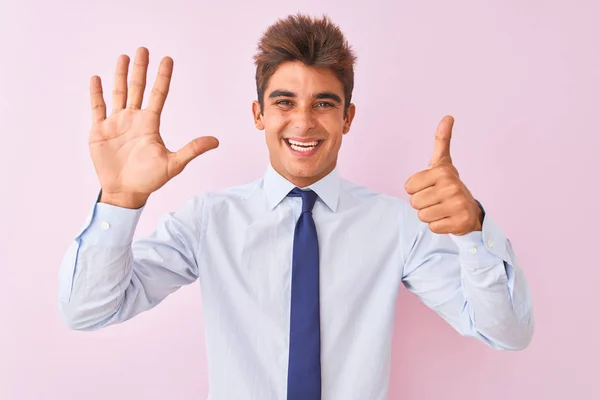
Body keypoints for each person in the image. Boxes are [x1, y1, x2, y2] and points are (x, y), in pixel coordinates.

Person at [57, 13, 534, 400]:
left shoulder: (396, 225)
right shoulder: (208, 220)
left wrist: (473, 231)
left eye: (324, 103)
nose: (303, 123)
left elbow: (507, 331)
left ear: (347, 117)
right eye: (284, 101)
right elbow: (90, 311)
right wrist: (120, 201)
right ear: (259, 114)